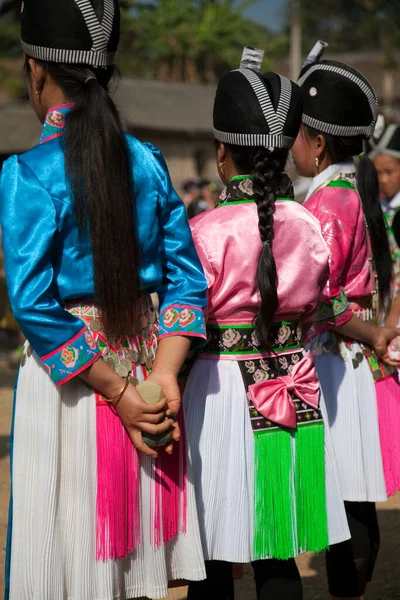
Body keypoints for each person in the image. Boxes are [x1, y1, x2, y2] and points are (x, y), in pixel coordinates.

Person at [1, 1, 208, 599]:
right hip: (148, 377)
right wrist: (163, 375)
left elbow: (35, 304)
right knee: (135, 568)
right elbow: (185, 281)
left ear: (35, 69)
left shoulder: (28, 173)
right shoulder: (147, 161)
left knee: (72, 560)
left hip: (75, 387)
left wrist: (115, 392)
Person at [183, 51, 350, 600]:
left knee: (214, 549)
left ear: (222, 151)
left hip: (220, 390)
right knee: (276, 550)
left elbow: (183, 316)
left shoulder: (204, 229)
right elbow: (318, 308)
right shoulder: (307, 222)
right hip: (294, 385)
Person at [292, 48, 400, 598]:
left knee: (341, 488)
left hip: (332, 358)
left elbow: (317, 295)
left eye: (295, 133)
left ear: (318, 143)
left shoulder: (327, 204)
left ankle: (346, 590)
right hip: (348, 357)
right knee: (351, 487)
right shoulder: (346, 193)